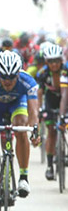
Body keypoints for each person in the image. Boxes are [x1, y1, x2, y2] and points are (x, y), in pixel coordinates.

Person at [0, 50, 40, 211]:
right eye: (4, 77)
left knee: (20, 126)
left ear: (18, 74)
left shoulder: (28, 81)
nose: (8, 81)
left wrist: (35, 130)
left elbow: (33, 113)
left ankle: (23, 178)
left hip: (17, 104)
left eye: (12, 77)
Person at [37, 44, 68, 180]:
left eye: (57, 61)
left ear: (61, 60)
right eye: (51, 61)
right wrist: (39, 109)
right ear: (46, 62)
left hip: (65, 99)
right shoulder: (42, 74)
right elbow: (39, 93)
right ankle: (50, 165)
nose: (54, 64)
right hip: (50, 101)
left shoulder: (66, 70)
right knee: (51, 131)